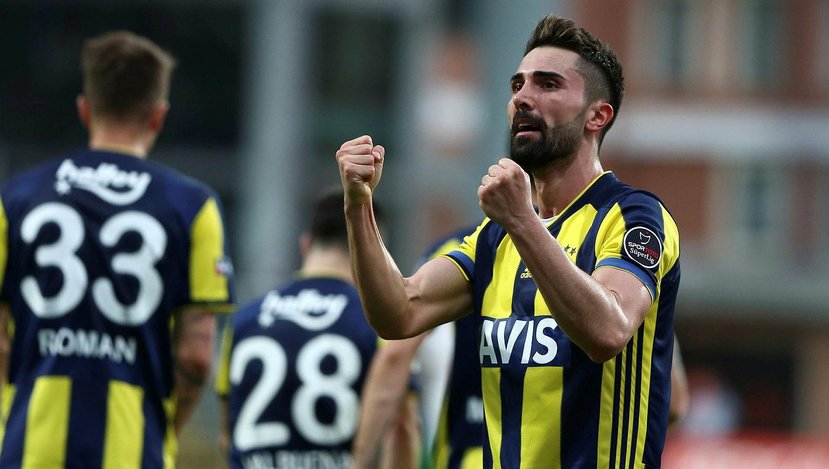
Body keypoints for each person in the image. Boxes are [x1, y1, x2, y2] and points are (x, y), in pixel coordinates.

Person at [335, 13, 681, 469]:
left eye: (548, 84)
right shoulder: (495, 236)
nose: (522, 98)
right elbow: (400, 311)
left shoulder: (634, 215)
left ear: (597, 116)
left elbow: (608, 331)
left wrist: (522, 219)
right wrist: (358, 206)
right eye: (518, 85)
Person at [0, 30, 235, 467]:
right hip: (134, 449)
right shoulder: (193, 207)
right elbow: (196, 355)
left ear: (84, 109)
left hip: (28, 447)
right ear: (158, 116)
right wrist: (162, 430)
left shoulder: (16, 198)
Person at [216, 189, 398, 469]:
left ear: (306, 244)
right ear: (375, 254)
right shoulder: (380, 325)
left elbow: (226, 435)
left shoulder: (244, 321)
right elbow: (400, 426)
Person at [351, 225, 482, 469]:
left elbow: (395, 354)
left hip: (469, 449)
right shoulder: (557, 243)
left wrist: (360, 462)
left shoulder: (466, 246)